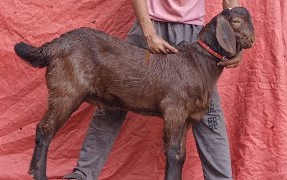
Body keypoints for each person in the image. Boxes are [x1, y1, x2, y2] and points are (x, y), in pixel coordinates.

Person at [63, 0, 242, 179]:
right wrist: (149, 34)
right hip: (149, 25)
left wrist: (237, 41)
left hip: (193, 34)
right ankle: (83, 174)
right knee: (112, 101)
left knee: (208, 112)